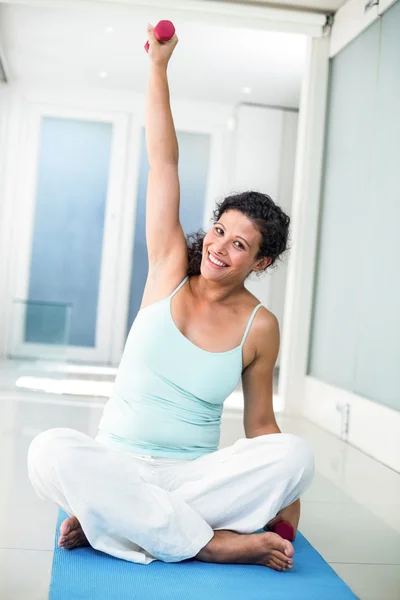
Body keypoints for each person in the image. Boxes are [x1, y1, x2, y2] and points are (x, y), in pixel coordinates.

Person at [27, 24, 314, 573]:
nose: (220, 248)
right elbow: (164, 164)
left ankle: (116, 523)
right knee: (49, 451)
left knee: (299, 455)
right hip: (116, 462)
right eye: (219, 231)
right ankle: (207, 543)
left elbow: (261, 428)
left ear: (262, 262)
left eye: (240, 245)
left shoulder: (260, 325)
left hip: (191, 477)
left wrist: (286, 498)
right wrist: (157, 67)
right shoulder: (167, 270)